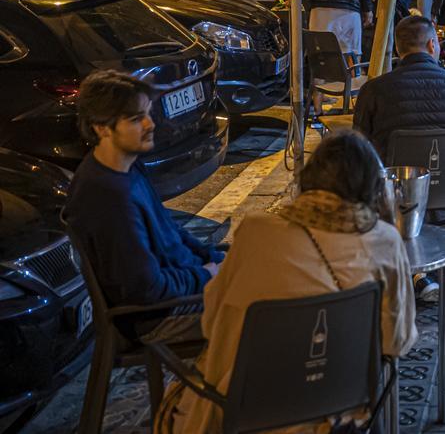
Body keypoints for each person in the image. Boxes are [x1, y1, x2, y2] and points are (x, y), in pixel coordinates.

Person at [154, 131, 418, 434]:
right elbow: (396, 342)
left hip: (246, 411)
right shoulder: (385, 242)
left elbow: (213, 323)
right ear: (373, 190)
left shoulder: (256, 232)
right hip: (336, 415)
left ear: (308, 179)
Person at [64, 71, 223, 343]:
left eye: (148, 114)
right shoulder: (106, 196)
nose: (150, 124)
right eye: (137, 119)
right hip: (157, 317)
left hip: (182, 291)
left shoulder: (127, 166)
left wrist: (215, 259)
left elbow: (170, 231)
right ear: (101, 128)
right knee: (271, 308)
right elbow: (146, 289)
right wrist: (205, 275)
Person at [353, 15, 445, 301]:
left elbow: (360, 156)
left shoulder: (373, 91)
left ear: (397, 49)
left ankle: (415, 276)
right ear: (433, 44)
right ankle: (428, 273)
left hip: (394, 209)